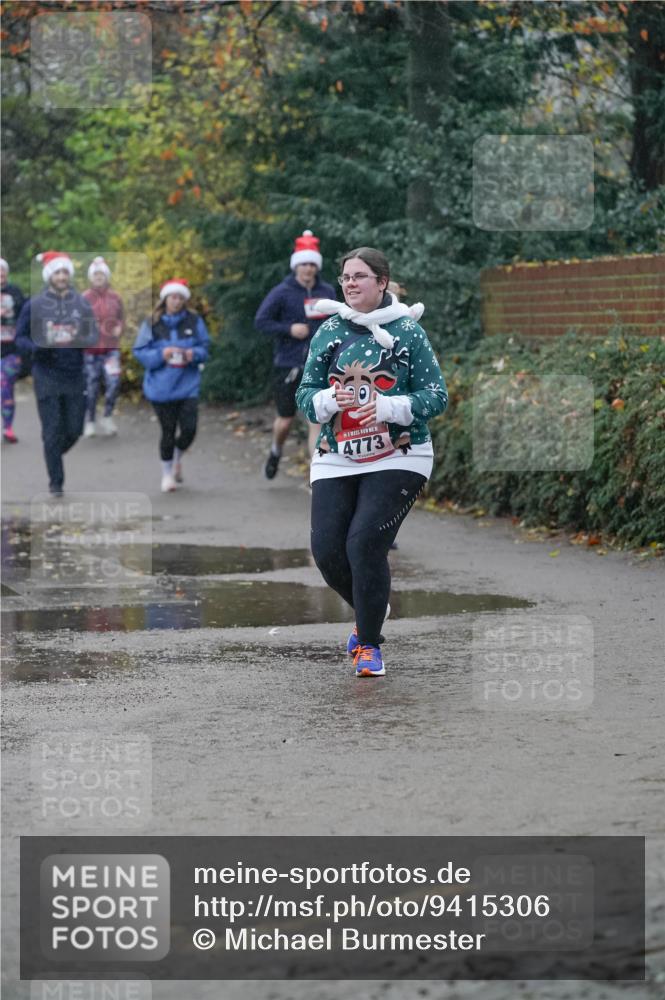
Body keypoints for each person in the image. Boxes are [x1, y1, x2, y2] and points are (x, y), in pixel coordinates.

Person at [296, 247, 448, 678]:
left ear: (382, 283)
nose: (349, 283)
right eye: (345, 277)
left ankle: (369, 645)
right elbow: (305, 396)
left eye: (360, 276)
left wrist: (388, 407)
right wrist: (328, 399)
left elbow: (437, 396)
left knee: (363, 542)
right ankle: (372, 609)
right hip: (338, 456)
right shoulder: (329, 331)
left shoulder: (407, 332)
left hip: (401, 453)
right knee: (327, 550)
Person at [255, 229, 336, 479]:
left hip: (319, 365)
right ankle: (276, 450)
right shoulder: (282, 291)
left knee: (316, 421)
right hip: (288, 364)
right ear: (296, 266)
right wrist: (289, 329)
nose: (308, 269)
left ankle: (317, 476)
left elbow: (337, 323)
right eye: (304, 264)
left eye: (312, 264)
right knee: (286, 420)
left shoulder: (328, 292)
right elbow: (261, 321)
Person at [15, 251, 98, 496]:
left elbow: (92, 334)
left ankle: (52, 454)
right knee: (51, 431)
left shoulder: (80, 303)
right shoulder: (35, 305)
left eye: (65, 272)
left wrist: (79, 337)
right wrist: (36, 348)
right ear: (50, 276)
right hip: (46, 373)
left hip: (73, 373)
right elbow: (20, 337)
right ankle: (56, 483)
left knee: (75, 429)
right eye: (57, 272)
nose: (62, 277)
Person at [133, 278, 211, 493]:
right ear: (165, 299)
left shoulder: (194, 322)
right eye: (172, 297)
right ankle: (167, 474)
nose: (176, 301)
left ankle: (178, 455)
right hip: (161, 388)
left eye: (180, 297)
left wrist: (191, 354)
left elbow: (205, 347)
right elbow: (139, 351)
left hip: (188, 385)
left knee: (189, 429)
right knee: (167, 431)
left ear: (184, 300)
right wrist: (161, 354)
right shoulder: (152, 323)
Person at [82, 256, 125, 437]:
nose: (99, 277)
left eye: (102, 274)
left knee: (113, 383)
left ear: (107, 277)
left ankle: (107, 416)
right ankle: (90, 421)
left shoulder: (115, 297)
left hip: (111, 350)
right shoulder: (84, 297)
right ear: (91, 278)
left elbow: (122, 318)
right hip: (90, 351)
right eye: (96, 274)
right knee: (91, 388)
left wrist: (119, 328)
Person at [1, 257, 26, 443]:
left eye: (3, 271)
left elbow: (25, 313)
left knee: (5, 387)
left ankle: (8, 427)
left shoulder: (15, 292)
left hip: (10, 351)